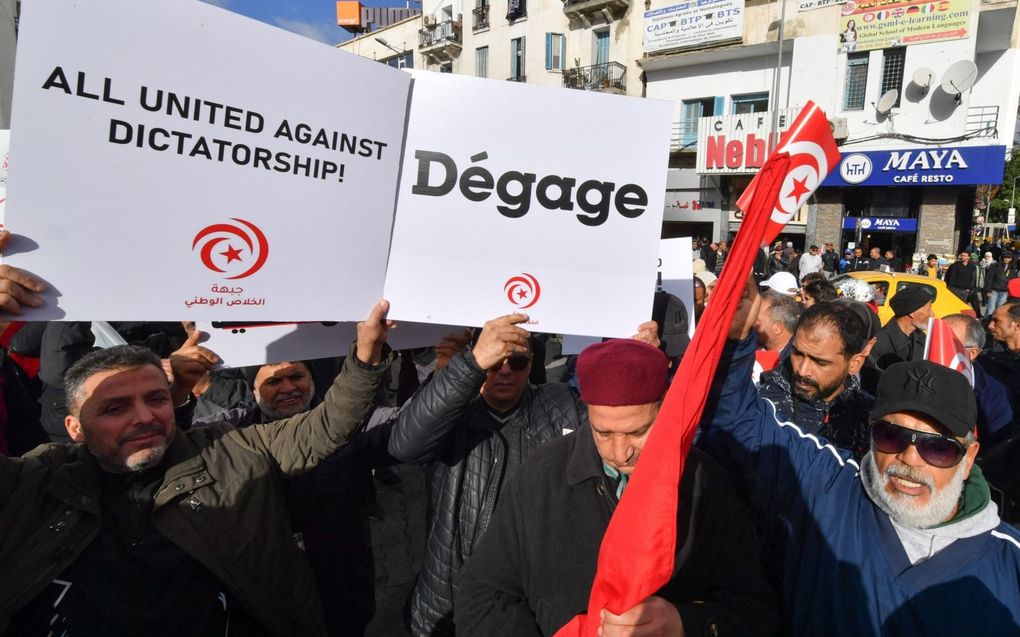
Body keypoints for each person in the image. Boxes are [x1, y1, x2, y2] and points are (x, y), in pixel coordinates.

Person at [1, 299, 396, 635]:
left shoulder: (229, 449)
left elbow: (324, 428)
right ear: (74, 428)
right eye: (116, 407)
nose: (143, 417)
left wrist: (365, 356)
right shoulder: (34, 483)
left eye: (156, 399)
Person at [697, 279, 1020, 635]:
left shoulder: (1009, 565)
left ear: (969, 456)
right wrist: (733, 339)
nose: (909, 458)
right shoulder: (829, 488)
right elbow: (736, 420)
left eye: (937, 447)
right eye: (891, 435)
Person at [454, 339, 780, 637]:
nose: (620, 452)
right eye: (604, 433)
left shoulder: (708, 484)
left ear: (664, 407)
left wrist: (683, 622)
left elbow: (755, 611)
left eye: (638, 432)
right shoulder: (541, 474)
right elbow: (482, 595)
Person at [387, 314, 591, 636]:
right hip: (453, 597)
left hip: (538, 598)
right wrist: (466, 368)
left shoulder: (561, 403)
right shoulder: (453, 412)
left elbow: (625, 435)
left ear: (533, 361)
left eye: (518, 360)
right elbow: (404, 445)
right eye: (495, 362)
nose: (506, 371)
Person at [192, 358, 396, 637]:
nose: (288, 388)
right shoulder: (231, 431)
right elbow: (179, 446)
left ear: (312, 381)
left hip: (342, 580)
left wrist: (446, 373)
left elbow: (408, 423)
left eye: (296, 376)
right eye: (273, 382)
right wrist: (180, 393)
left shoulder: (353, 424)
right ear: (252, 391)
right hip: (269, 594)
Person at [757, 301, 874, 459]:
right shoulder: (764, 407)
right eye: (797, 354)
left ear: (854, 363)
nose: (803, 370)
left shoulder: (871, 419)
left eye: (820, 362)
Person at [941, 314, 1014, 448]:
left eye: (945, 344)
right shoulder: (913, 376)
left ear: (972, 353)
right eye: (932, 340)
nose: (937, 349)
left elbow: (996, 449)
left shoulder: (995, 398)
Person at [868, 286, 932, 370]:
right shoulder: (879, 344)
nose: (932, 314)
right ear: (912, 313)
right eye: (929, 309)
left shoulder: (921, 338)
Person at [752, 290, 801, 382]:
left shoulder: (795, 367)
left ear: (778, 328)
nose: (750, 322)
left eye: (756, 319)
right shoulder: (746, 347)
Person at [983, 251, 1013, 315]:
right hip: (994, 290)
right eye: (1005, 257)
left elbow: (1012, 281)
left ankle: (995, 323)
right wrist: (988, 290)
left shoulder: (1013, 268)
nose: (1006, 259)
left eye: (1008, 258)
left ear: (1011, 259)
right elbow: (989, 278)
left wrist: (1010, 293)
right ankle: (986, 322)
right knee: (991, 309)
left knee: (999, 309)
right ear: (1002, 258)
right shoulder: (995, 265)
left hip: (1005, 291)